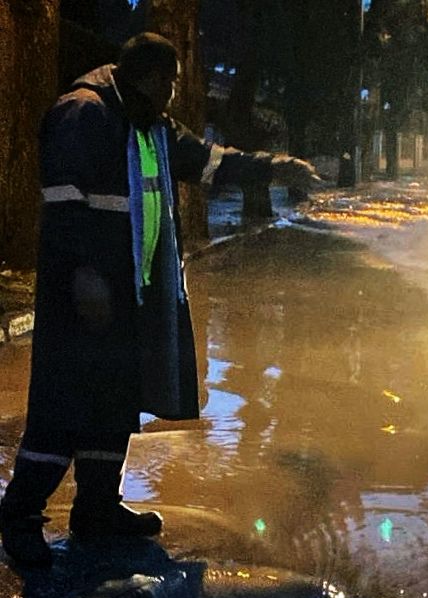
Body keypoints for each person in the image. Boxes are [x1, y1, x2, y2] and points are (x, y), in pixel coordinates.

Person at [0, 32, 319, 568]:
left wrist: (273, 167)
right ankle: (19, 518)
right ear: (144, 78)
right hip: (81, 298)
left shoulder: (148, 124)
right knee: (63, 408)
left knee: (113, 403)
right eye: (168, 81)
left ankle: (97, 508)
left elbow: (206, 160)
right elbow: (62, 206)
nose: (174, 91)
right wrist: (83, 278)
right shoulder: (85, 113)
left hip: (130, 292)